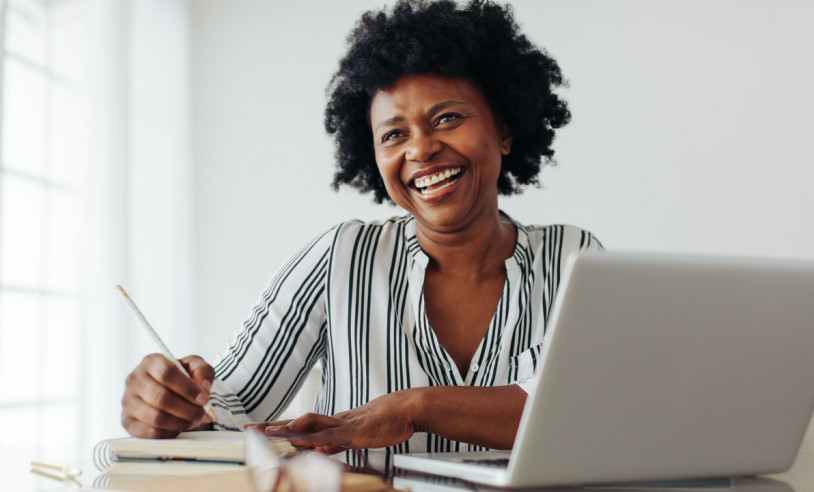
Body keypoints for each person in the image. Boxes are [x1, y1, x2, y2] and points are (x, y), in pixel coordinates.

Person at [120, 0, 602, 471]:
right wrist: (173, 405)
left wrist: (416, 408)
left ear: (503, 130)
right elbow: (233, 408)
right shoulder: (341, 256)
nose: (422, 148)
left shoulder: (573, 259)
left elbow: (589, 416)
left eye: (447, 118)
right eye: (394, 135)